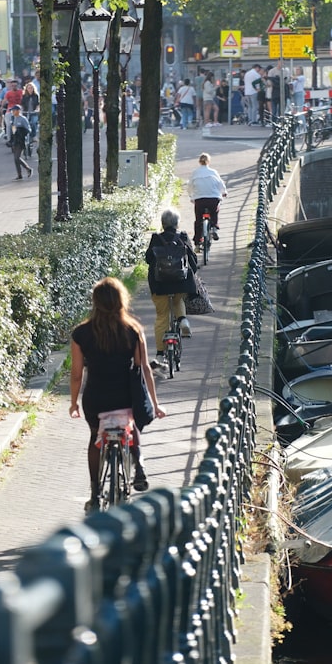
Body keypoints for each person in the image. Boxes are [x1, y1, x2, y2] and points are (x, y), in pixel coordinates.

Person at [70, 277, 164, 511]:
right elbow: (143, 369)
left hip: (95, 398)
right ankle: (139, 467)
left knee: (95, 438)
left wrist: (74, 403)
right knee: (130, 426)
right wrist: (155, 402)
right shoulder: (132, 330)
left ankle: (94, 493)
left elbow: (76, 374)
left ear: (95, 302)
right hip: (125, 396)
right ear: (122, 300)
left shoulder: (81, 333)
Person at [145, 209, 197, 362]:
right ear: (177, 223)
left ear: (162, 223)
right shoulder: (182, 237)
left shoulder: (156, 238)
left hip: (159, 284)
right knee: (178, 300)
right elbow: (192, 259)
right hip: (181, 282)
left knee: (162, 317)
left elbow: (148, 259)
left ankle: (160, 355)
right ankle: (182, 320)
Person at [187, 152, 227, 249]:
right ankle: (213, 227)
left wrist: (191, 197)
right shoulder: (213, 172)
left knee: (198, 220)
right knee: (215, 211)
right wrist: (224, 192)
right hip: (213, 198)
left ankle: (197, 242)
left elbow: (190, 186)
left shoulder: (195, 173)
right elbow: (220, 184)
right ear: (208, 162)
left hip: (199, 200)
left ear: (199, 162)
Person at [9, 105, 33, 180]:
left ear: (18, 111)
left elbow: (28, 130)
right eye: (12, 111)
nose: (13, 112)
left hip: (21, 141)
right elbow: (13, 129)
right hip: (15, 140)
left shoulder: (23, 119)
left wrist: (21, 131)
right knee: (15, 159)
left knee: (17, 157)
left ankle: (28, 169)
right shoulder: (13, 118)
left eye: (14, 110)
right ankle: (19, 174)